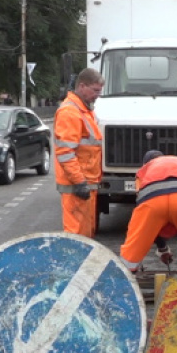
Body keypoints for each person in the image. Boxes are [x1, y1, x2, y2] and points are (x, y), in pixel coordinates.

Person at [119, 150, 177, 290]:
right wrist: (163, 248)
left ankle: (123, 286)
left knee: (133, 246)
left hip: (152, 201)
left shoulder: (144, 171)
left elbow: (149, 220)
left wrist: (161, 247)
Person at [53, 67, 104, 237]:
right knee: (75, 236)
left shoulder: (84, 110)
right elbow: (65, 152)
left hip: (84, 183)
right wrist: (79, 181)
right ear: (82, 86)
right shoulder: (70, 112)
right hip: (77, 185)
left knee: (84, 234)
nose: (97, 95)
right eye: (95, 90)